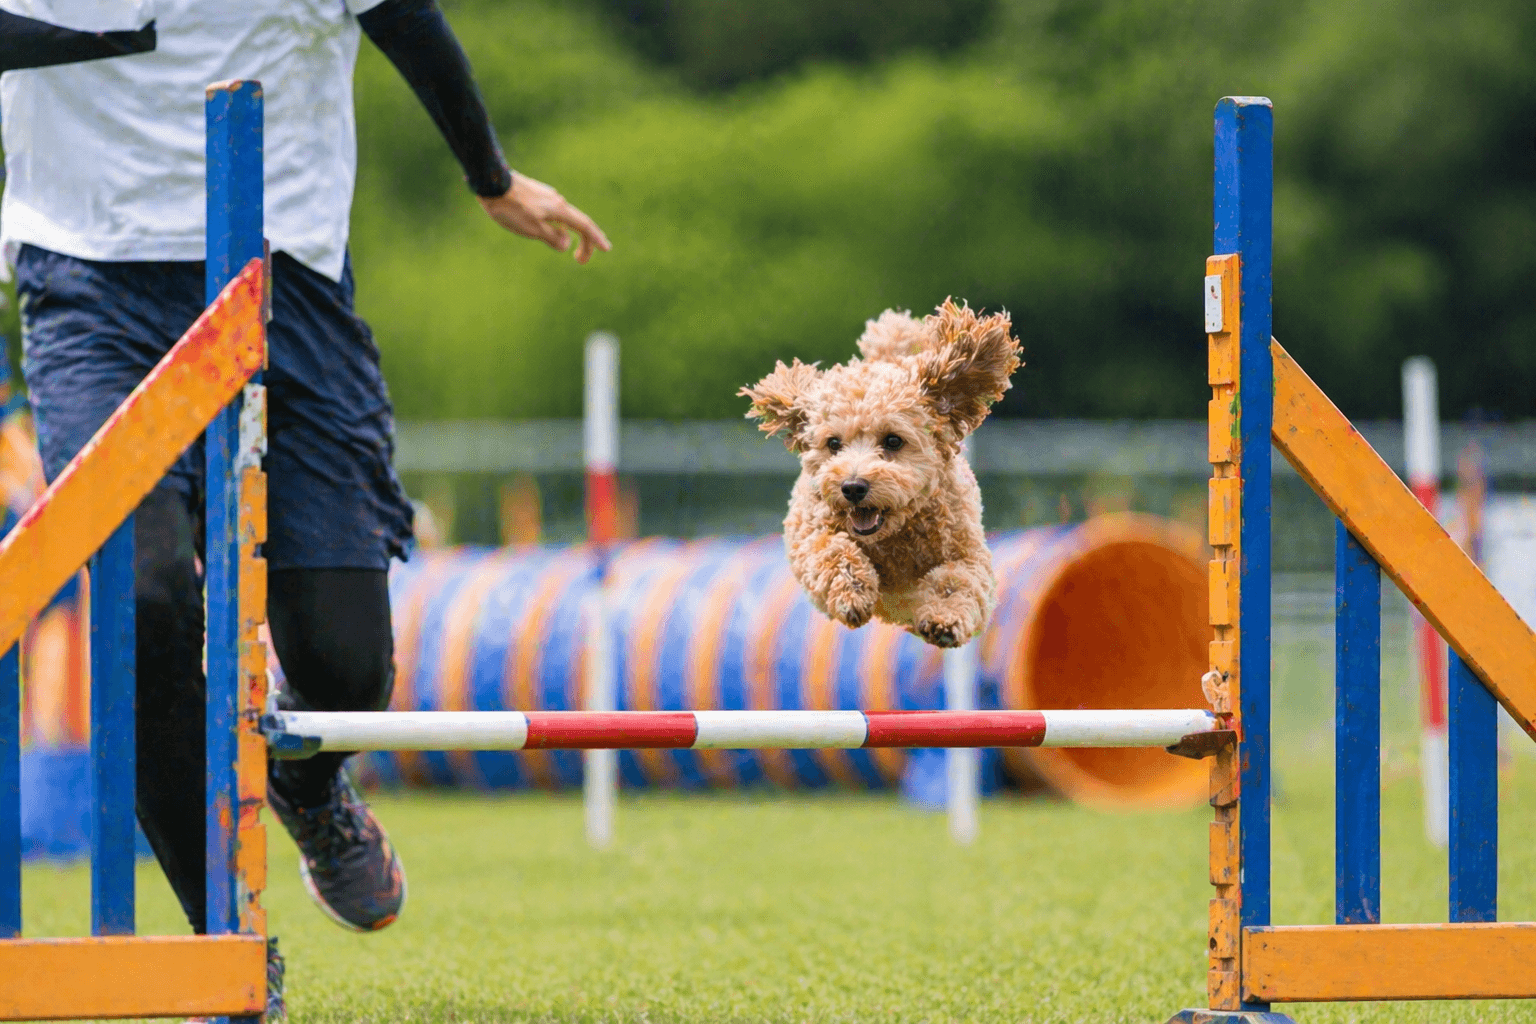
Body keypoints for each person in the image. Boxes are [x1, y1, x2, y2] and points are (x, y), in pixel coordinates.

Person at [0, 0, 610, 1015]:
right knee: (140, 601)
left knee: (342, 657)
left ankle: (312, 785)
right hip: (89, 275)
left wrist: (491, 176)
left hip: (284, 273)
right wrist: (112, 34)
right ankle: (223, 943)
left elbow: (406, 19)